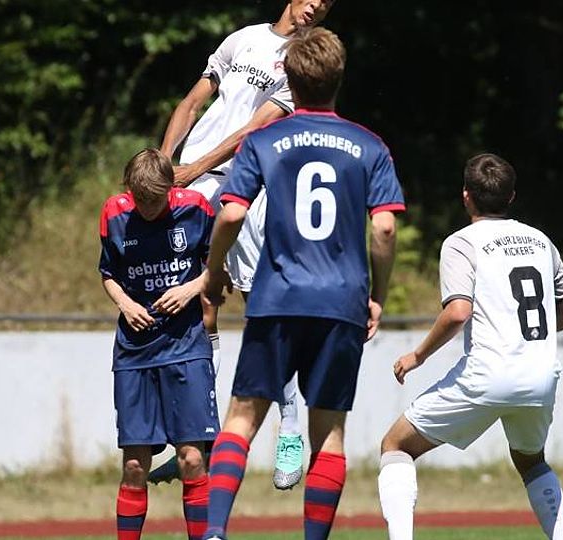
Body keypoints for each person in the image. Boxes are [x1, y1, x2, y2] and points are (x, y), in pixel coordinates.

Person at [201, 28, 405, 540]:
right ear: (339, 77)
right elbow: (384, 228)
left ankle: (214, 532)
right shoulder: (370, 145)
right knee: (329, 432)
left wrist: (213, 269)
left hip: (277, 296)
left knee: (241, 420)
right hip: (341, 302)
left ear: (289, 81)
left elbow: (231, 213)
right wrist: (377, 295)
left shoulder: (263, 140)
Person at [156, 0, 337, 491]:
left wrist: (196, 167)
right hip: (191, 186)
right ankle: (201, 438)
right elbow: (192, 102)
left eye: (326, 3)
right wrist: (165, 163)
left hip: (245, 187)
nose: (317, 6)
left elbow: (253, 131)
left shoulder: (304, 62)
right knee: (199, 310)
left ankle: (291, 430)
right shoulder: (243, 38)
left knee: (265, 312)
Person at [376, 153, 563, 540]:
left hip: (487, 374)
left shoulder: (462, 243)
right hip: (540, 376)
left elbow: (458, 312)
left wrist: (417, 355)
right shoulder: (540, 240)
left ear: (466, 196)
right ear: (511, 197)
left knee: (396, 445)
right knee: (531, 462)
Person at [99, 148, 220, 540]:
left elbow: (219, 267)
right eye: (141, 200)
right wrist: (125, 303)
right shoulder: (114, 214)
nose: (147, 209)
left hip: (186, 347)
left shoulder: (196, 209)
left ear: (170, 188)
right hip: (135, 353)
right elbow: (108, 273)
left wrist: (190, 289)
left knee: (192, 459)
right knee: (135, 465)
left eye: (154, 200)